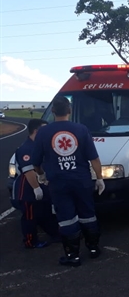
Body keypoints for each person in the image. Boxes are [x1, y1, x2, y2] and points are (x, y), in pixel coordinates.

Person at [32, 96, 105, 267]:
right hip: (82, 180)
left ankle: (73, 255)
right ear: (70, 110)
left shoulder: (43, 132)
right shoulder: (81, 129)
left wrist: (41, 175)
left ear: (54, 111)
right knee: (88, 214)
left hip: (58, 183)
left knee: (66, 219)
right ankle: (93, 248)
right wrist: (100, 178)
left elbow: (35, 162)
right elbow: (94, 158)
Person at [11, 119, 59, 249]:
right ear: (36, 131)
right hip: (28, 189)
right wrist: (37, 189)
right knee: (30, 217)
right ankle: (30, 241)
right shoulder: (27, 148)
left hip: (42, 185)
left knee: (45, 213)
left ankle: (55, 234)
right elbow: (29, 172)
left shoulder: (39, 145)